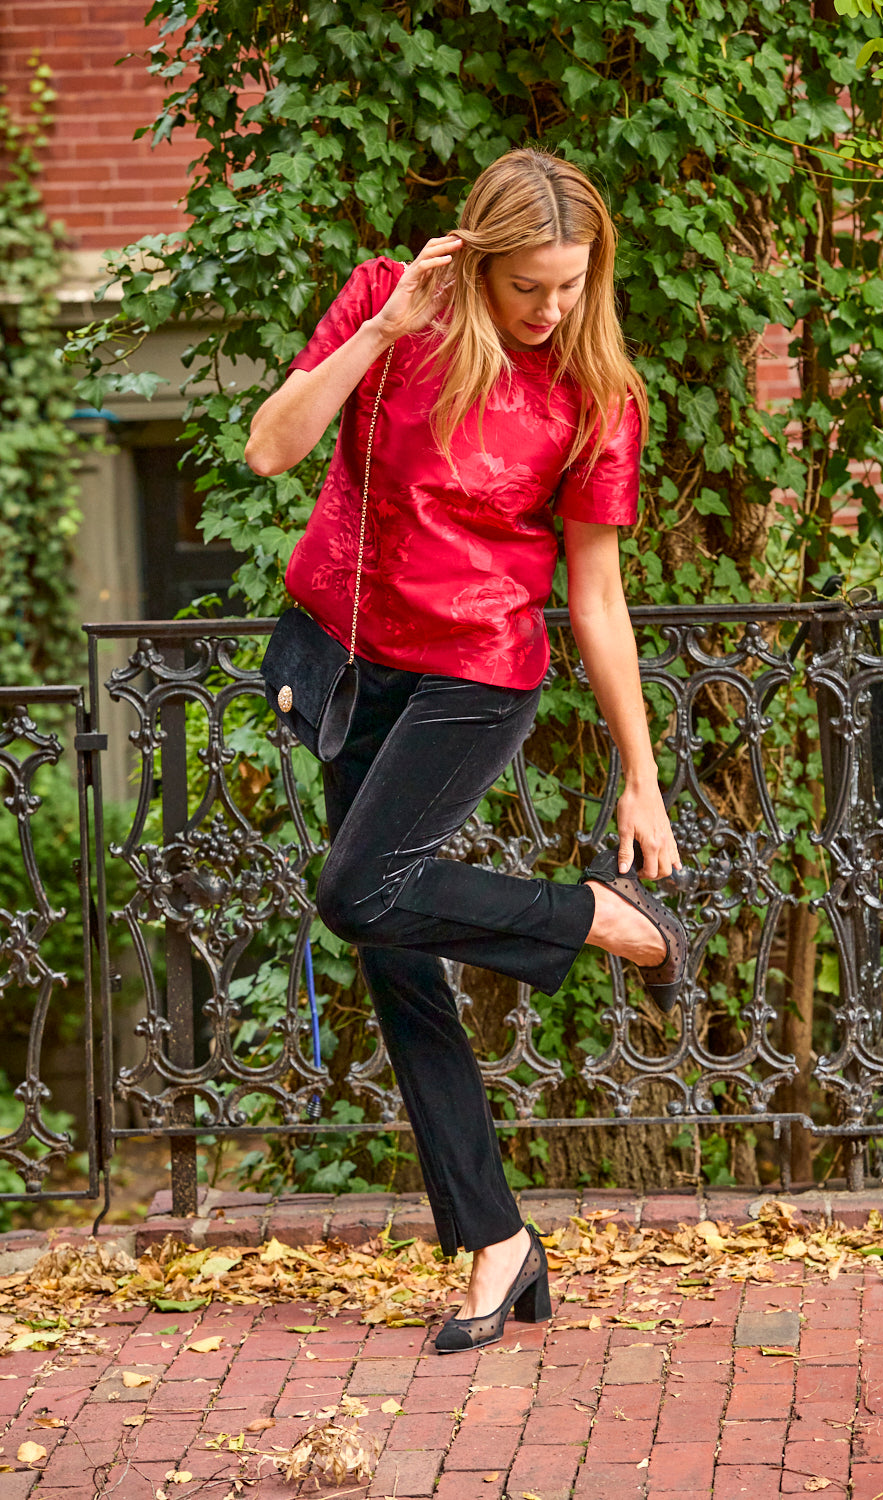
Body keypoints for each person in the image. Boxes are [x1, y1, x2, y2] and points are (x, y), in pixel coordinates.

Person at [244, 149, 686, 1353]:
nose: (549, 312)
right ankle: (495, 1242)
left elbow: (595, 594)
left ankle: (589, 914)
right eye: (527, 287)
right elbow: (270, 449)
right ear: (476, 262)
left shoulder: (595, 395)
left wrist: (637, 777)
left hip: (475, 672)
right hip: (347, 654)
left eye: (569, 285)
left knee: (359, 893)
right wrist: (383, 331)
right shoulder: (389, 303)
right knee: (394, 951)